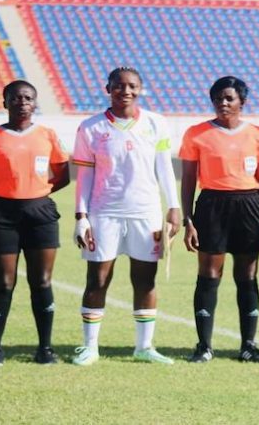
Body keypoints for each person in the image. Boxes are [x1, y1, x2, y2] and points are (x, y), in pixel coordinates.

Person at [71, 67, 181, 366]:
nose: (126, 91)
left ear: (140, 89)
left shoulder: (156, 123)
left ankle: (144, 347)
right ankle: (90, 347)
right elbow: (84, 175)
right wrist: (81, 216)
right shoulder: (90, 127)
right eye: (119, 86)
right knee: (98, 279)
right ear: (108, 89)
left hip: (146, 213)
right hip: (104, 213)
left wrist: (173, 207)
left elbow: (164, 168)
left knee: (145, 280)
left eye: (132, 86)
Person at [0, 80, 70, 365]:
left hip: (40, 215)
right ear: (5, 102)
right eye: (15, 98)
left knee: (42, 281)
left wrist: (37, 192)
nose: (22, 102)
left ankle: (45, 349)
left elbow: (63, 175)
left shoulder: (47, 135)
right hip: (0, 215)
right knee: (4, 283)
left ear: (35, 103)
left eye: (28, 98)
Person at [179, 76, 259, 363]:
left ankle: (248, 345)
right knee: (209, 274)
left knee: (247, 275)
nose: (223, 102)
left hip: (249, 206)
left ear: (242, 102)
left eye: (229, 98)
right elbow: (188, 180)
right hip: (212, 205)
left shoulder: (257, 134)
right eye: (218, 98)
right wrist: (188, 220)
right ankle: (204, 346)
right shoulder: (196, 134)